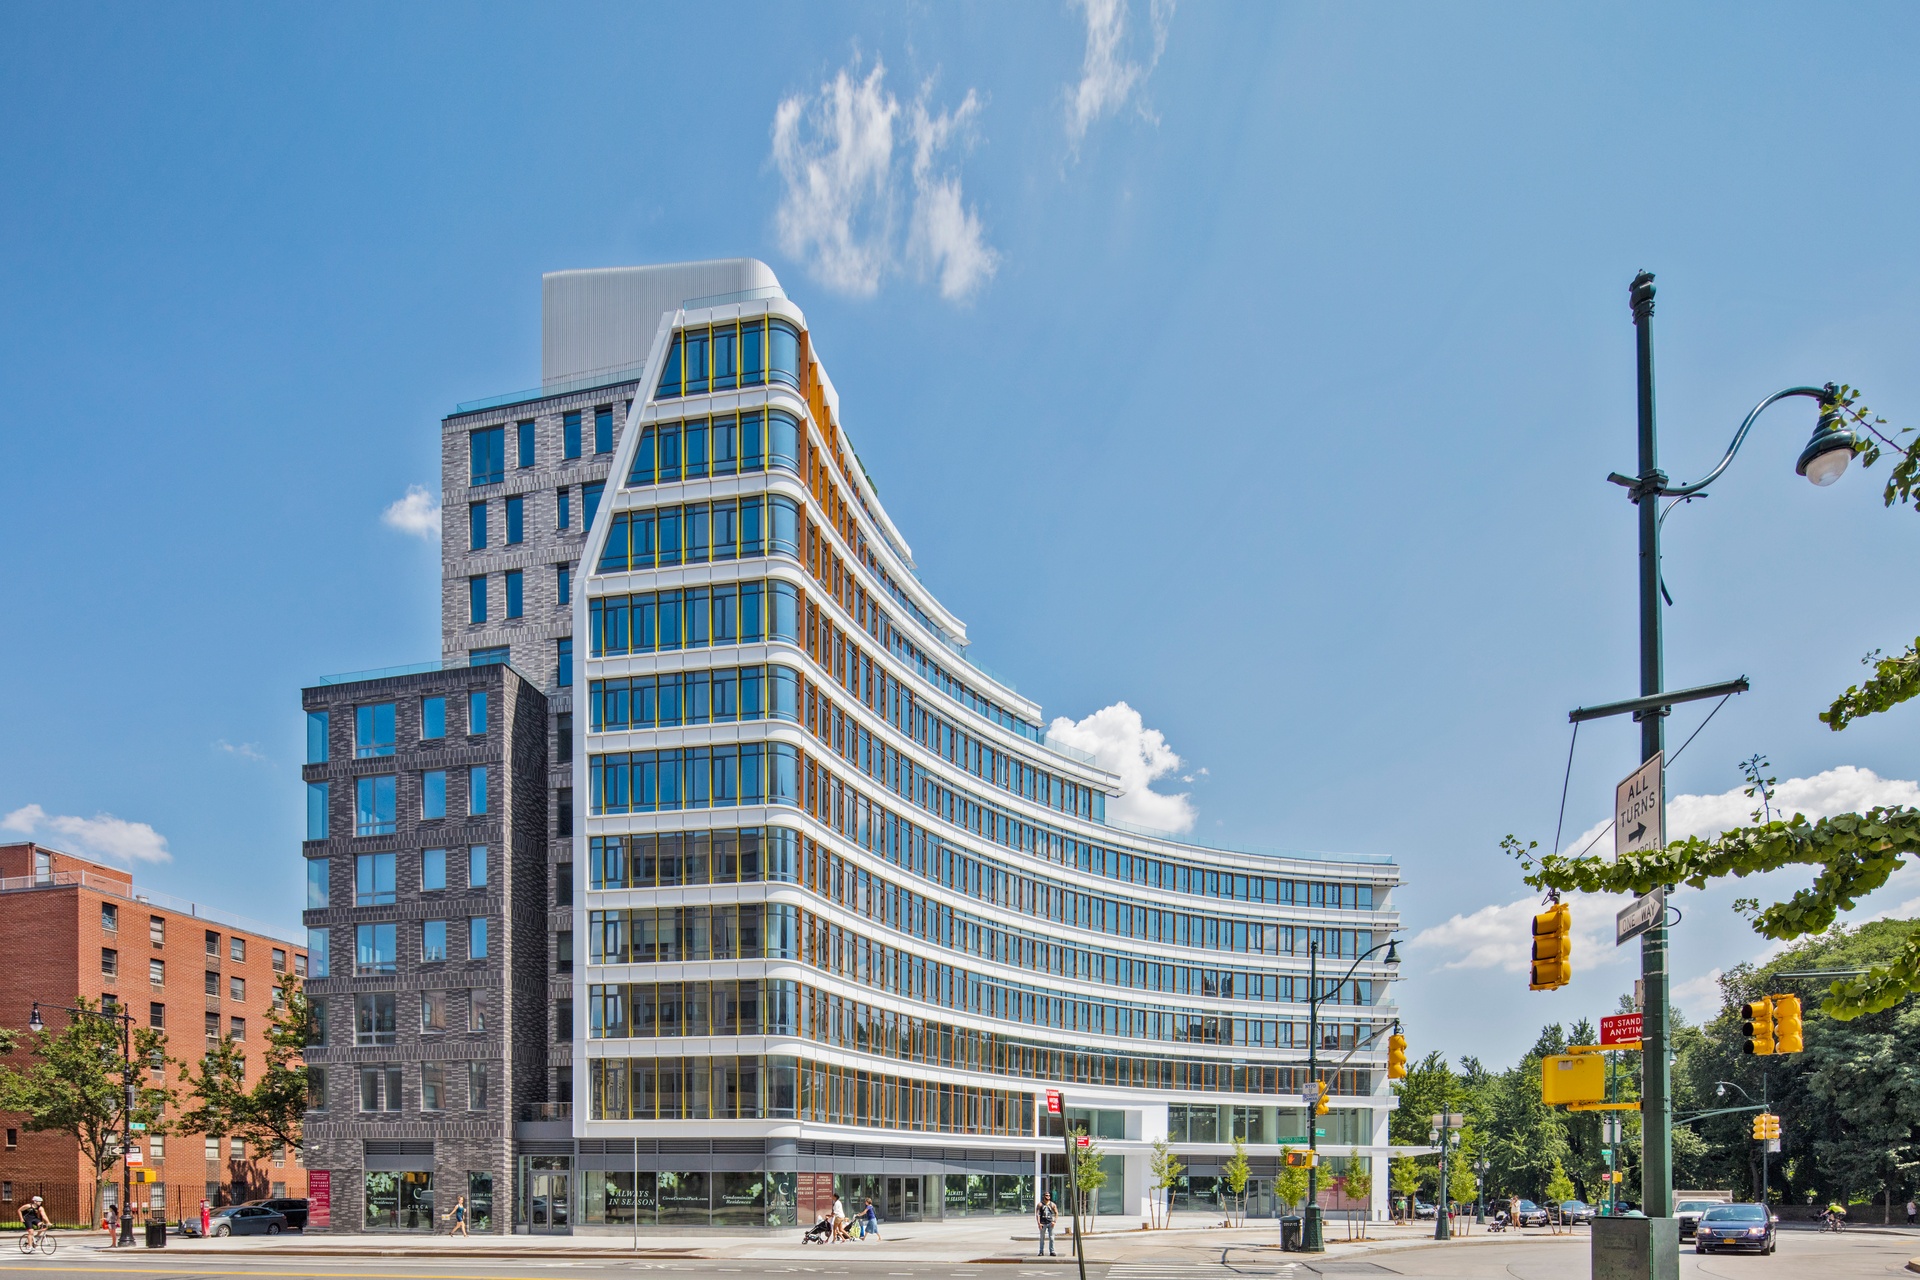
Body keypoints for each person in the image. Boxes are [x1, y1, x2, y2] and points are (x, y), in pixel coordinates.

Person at [1036, 1190, 1059, 1257]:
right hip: (1043, 1223)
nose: (1048, 1196)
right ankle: (1041, 1251)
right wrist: (1039, 1223)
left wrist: (1054, 1221)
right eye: (1046, 1195)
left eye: (1049, 1195)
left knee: (1051, 1237)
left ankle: (1052, 1251)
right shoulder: (1040, 1204)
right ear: (1044, 1196)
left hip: (1050, 1222)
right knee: (1042, 1238)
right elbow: (1037, 1214)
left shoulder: (1052, 1204)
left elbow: (1056, 1213)